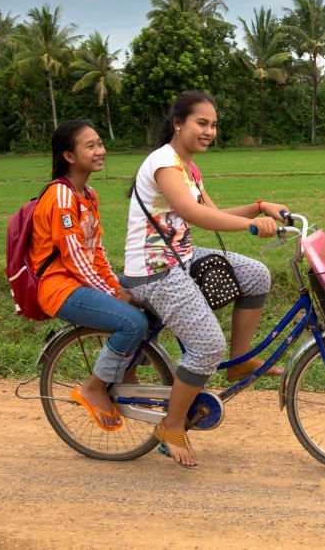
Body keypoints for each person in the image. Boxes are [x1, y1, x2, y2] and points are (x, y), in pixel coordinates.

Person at [121, 91, 287, 467]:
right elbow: (188, 212)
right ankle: (172, 425)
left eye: (213, 125)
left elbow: (210, 212)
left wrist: (261, 207)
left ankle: (241, 358)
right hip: (154, 268)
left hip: (182, 256)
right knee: (207, 346)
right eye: (202, 123)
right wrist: (251, 225)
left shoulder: (188, 166)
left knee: (256, 274)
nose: (209, 131)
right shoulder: (163, 161)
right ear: (178, 122)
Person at [30, 120, 149, 432]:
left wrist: (117, 284)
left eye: (100, 143)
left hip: (81, 279)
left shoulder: (88, 194)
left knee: (150, 290)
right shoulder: (61, 198)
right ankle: (94, 386)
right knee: (133, 321)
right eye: (91, 145)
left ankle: (126, 370)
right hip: (61, 287)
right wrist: (113, 293)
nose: (100, 151)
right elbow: (74, 258)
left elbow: (95, 252)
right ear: (69, 156)